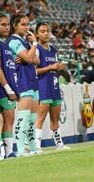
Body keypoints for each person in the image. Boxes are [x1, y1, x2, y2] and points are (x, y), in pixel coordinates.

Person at [8, 14, 40, 156]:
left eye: (28, 24)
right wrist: (34, 44)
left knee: (32, 120)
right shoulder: (14, 41)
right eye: (23, 24)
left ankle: (33, 148)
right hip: (22, 82)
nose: (27, 27)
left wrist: (29, 55)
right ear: (15, 26)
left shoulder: (24, 41)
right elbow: (28, 58)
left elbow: (37, 61)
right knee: (24, 117)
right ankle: (20, 151)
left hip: (32, 80)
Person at [35, 22, 67, 151]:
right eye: (42, 31)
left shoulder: (53, 50)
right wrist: (50, 67)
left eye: (47, 31)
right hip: (42, 86)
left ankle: (59, 144)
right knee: (40, 118)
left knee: (55, 118)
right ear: (37, 34)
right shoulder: (36, 49)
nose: (46, 33)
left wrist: (58, 68)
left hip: (54, 85)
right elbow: (33, 71)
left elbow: (52, 68)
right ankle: (36, 146)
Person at [0, 14, 19, 159]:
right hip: (0, 87)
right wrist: (8, 89)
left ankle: (7, 152)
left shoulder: (4, 45)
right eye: (2, 24)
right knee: (9, 117)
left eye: (8, 24)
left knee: (8, 118)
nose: (6, 27)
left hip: (4, 87)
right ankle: (8, 152)